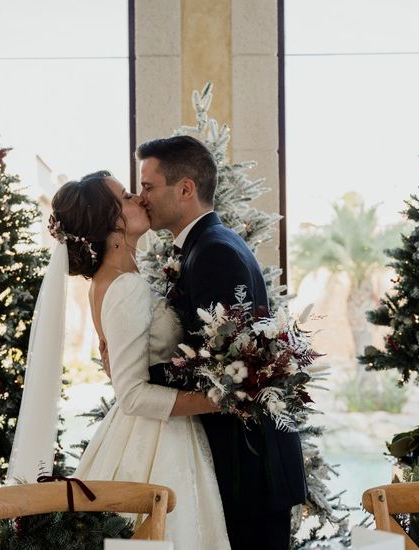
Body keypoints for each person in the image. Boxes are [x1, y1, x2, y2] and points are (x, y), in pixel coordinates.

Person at [9, 170, 230, 549]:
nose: (140, 199)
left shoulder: (115, 279)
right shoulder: (123, 287)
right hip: (158, 440)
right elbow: (132, 395)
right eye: (127, 196)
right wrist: (218, 400)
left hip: (145, 434)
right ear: (111, 221)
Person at [136, 135, 307, 550]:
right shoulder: (206, 245)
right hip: (241, 464)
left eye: (148, 186)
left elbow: (230, 369)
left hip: (249, 467)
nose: (142, 197)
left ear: (185, 189)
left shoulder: (213, 252)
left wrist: (139, 372)